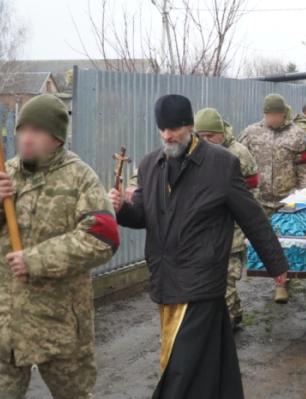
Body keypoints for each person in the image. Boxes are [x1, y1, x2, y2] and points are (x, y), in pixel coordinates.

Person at [110, 94, 288, 398]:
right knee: (206, 360)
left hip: (202, 280)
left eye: (175, 128)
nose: (168, 135)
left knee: (183, 364)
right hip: (165, 277)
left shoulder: (221, 164)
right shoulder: (152, 164)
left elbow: (252, 217)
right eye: (163, 129)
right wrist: (122, 209)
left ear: (190, 126)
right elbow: (143, 215)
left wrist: (277, 265)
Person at [0, 94, 120, 398]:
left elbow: (103, 238)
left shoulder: (80, 179)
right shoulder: (3, 177)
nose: (26, 138)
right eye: (22, 130)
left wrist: (36, 260)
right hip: (6, 324)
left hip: (59, 326)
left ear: (57, 138)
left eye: (36, 131)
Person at [240, 93, 306, 304]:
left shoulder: (297, 134)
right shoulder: (251, 133)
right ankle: (270, 273)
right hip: (259, 198)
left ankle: (282, 284)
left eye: (276, 115)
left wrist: (303, 196)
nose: (273, 118)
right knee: (264, 241)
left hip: (287, 198)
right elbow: (240, 162)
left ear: (283, 113)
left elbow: (305, 167)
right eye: (269, 115)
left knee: (285, 240)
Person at [194, 107, 260, 330]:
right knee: (210, 279)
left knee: (226, 279)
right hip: (204, 230)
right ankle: (234, 312)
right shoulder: (192, 153)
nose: (206, 141)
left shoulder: (239, 154)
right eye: (200, 136)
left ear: (221, 132)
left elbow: (252, 192)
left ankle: (226, 325)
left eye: (210, 136)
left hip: (233, 228)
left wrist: (244, 223)